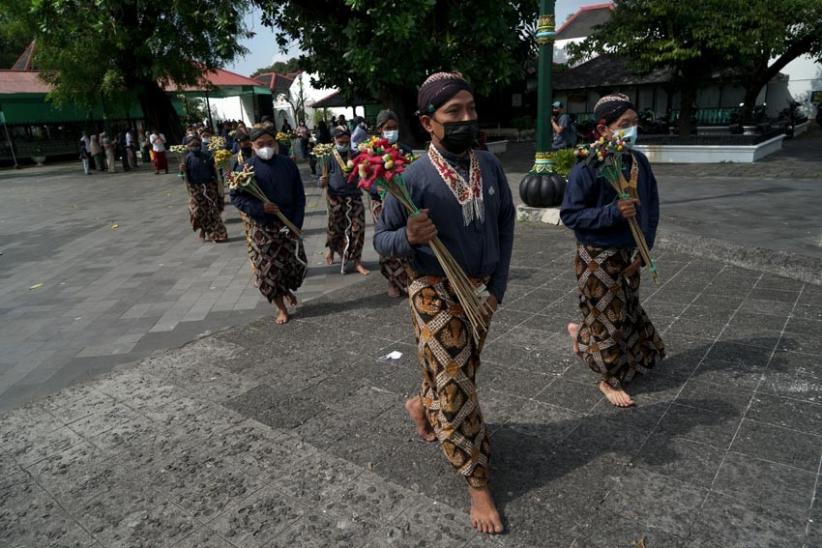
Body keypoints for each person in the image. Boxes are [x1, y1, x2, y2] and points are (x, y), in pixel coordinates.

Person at [374, 72, 515, 535]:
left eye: (471, 109)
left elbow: (507, 224)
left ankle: (420, 404)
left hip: (481, 292)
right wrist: (407, 236)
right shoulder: (408, 179)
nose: (466, 119)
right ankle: (477, 482)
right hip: (434, 292)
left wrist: (498, 287)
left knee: (461, 371)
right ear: (427, 122)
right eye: (453, 112)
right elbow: (382, 238)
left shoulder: (489, 167)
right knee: (457, 385)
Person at [560, 93, 664, 408]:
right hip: (597, 256)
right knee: (609, 317)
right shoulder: (588, 163)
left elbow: (652, 207)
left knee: (626, 308)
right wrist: (613, 212)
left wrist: (644, 249)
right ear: (604, 128)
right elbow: (571, 214)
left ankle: (580, 335)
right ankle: (607, 377)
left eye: (634, 123)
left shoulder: (638, 161)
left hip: (629, 253)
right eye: (624, 124)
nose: (632, 130)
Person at [231, 127, 307, 325]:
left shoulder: (288, 165)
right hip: (263, 228)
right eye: (260, 144)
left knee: (294, 265)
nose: (266, 148)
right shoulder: (245, 168)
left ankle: (286, 289)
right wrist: (260, 207)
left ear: (276, 143)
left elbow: (299, 196)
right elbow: (236, 197)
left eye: (269, 143)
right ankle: (280, 307)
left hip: (287, 223)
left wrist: (296, 223)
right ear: (252, 146)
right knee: (268, 271)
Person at [369, 109, 412, 297]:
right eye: (388, 128)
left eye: (395, 128)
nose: (392, 131)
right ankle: (392, 281)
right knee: (387, 240)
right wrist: (379, 189)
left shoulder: (406, 150)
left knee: (405, 237)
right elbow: (364, 179)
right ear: (380, 129)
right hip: (381, 202)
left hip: (403, 201)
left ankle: (409, 276)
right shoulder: (371, 151)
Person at [319, 126, 369, 276]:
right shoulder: (326, 157)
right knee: (335, 229)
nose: (344, 145)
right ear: (334, 141)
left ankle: (357, 261)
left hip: (354, 196)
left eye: (347, 142)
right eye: (341, 142)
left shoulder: (355, 155)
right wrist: (322, 181)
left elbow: (364, 173)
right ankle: (332, 250)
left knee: (358, 229)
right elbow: (320, 182)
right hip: (335, 197)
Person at [183, 135, 228, 243]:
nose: (195, 146)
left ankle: (218, 234)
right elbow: (184, 177)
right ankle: (203, 228)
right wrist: (182, 171)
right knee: (198, 212)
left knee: (212, 211)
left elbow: (215, 173)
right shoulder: (186, 159)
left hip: (209, 187)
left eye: (197, 144)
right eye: (192, 145)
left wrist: (218, 184)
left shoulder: (207, 156)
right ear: (188, 146)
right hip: (195, 188)